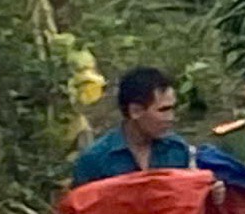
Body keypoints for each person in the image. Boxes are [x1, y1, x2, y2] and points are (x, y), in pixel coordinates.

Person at [72, 67, 204, 185]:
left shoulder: (177, 150)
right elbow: (82, 202)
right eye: (163, 110)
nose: (171, 118)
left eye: (172, 109)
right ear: (135, 111)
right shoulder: (95, 160)